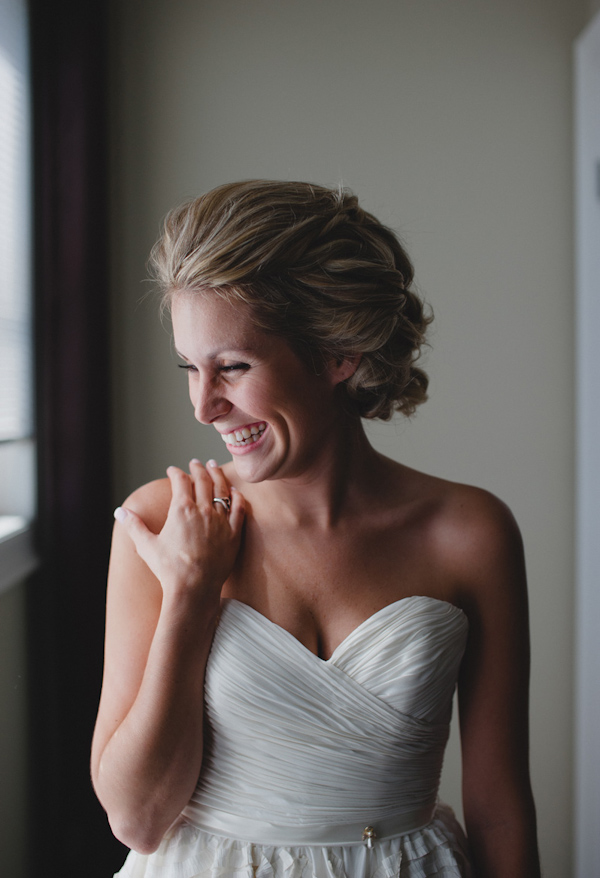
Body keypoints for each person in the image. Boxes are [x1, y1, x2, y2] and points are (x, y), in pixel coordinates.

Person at [91, 180, 541, 878]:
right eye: (189, 368)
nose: (204, 406)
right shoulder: (157, 523)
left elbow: (500, 807)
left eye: (232, 367)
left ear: (339, 356)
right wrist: (189, 592)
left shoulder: (470, 533)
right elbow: (137, 819)